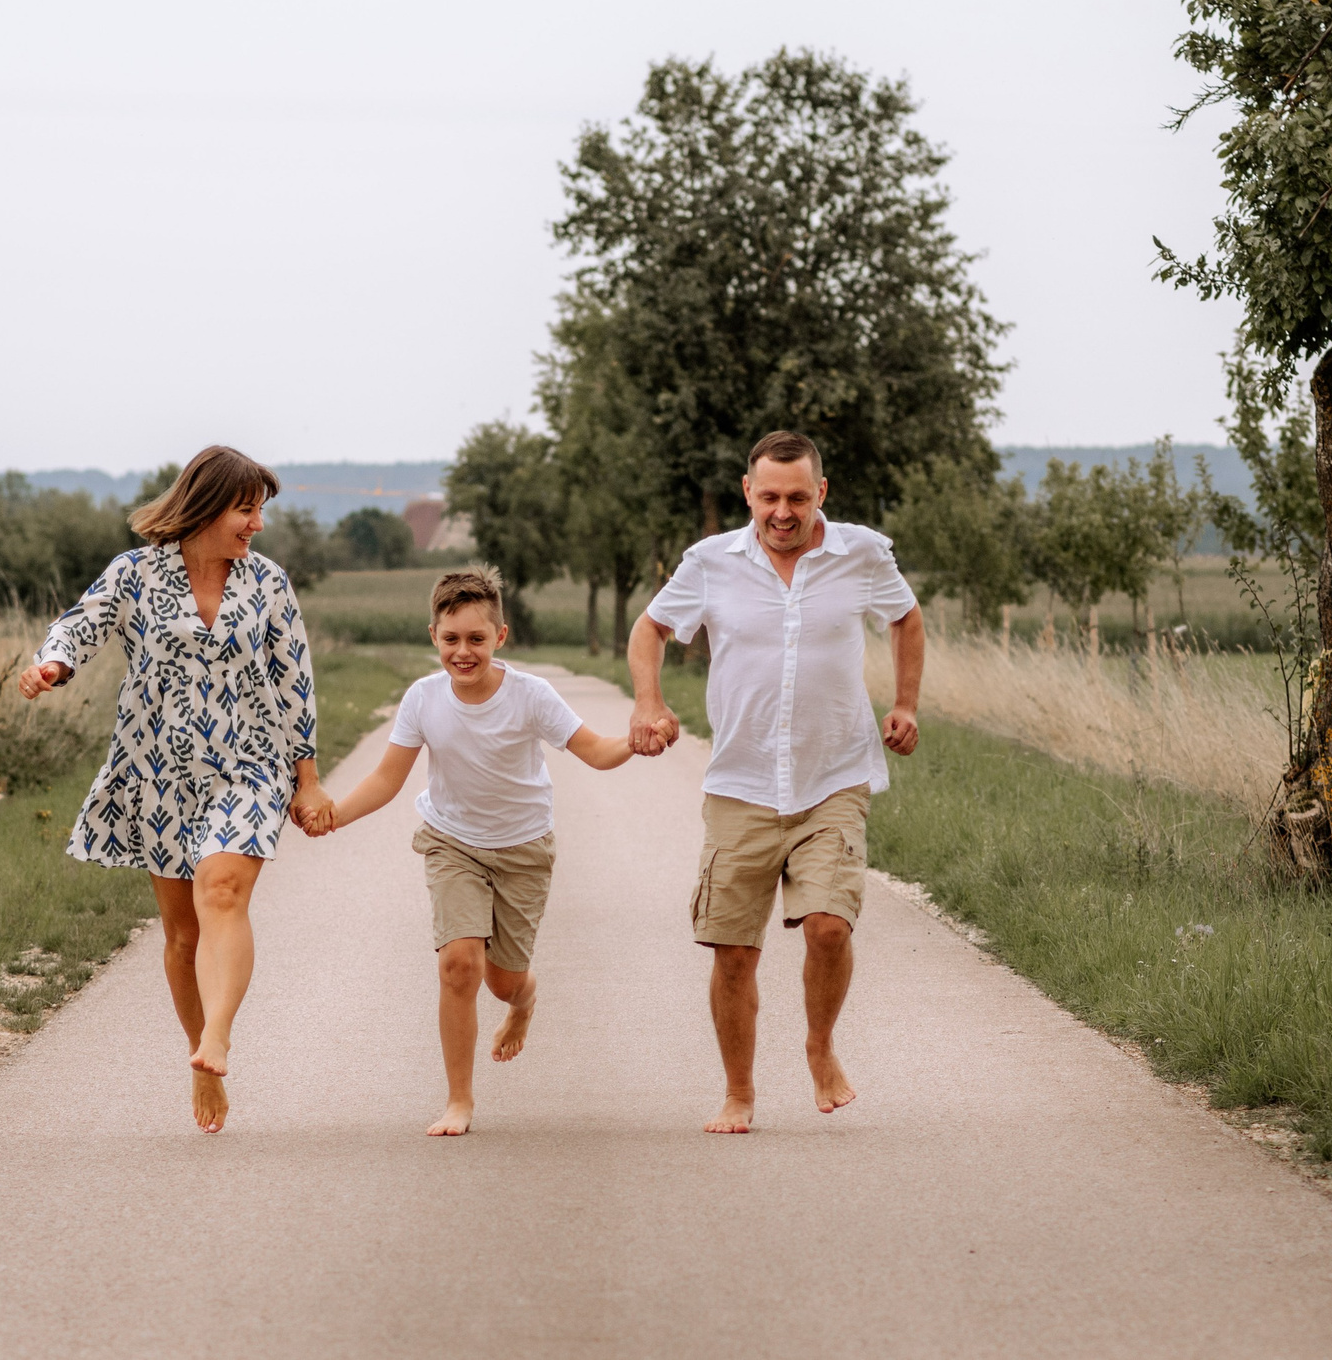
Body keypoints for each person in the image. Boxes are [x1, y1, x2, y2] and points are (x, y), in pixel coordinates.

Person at [18, 446, 332, 1135]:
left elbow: (294, 680)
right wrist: (54, 663)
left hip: (251, 761)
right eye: (245, 508)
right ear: (205, 505)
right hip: (156, 768)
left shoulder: (269, 584)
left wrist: (305, 779)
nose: (256, 524)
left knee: (221, 887)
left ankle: (216, 1035)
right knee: (183, 934)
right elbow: (83, 621)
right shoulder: (135, 573)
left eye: (259, 510)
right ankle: (201, 1059)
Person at [627, 430, 925, 1134]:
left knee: (827, 926)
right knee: (733, 950)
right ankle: (739, 1091)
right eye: (769, 496)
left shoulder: (861, 554)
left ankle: (820, 1044)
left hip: (835, 776)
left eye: (797, 496)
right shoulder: (710, 563)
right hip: (741, 781)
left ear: (821, 492)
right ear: (747, 492)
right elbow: (650, 629)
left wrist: (907, 701)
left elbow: (906, 617)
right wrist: (649, 700)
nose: (783, 511)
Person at [313, 565, 642, 1137]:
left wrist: (636, 741)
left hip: (523, 849)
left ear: (500, 637)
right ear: (434, 637)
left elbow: (593, 750)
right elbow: (389, 779)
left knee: (502, 981)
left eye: (476, 639)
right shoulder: (422, 699)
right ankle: (459, 1101)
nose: (463, 652)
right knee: (458, 965)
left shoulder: (531, 696)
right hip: (452, 842)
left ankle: (523, 998)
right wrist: (335, 814)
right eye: (451, 639)